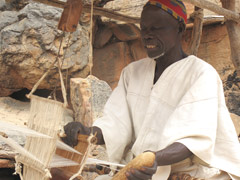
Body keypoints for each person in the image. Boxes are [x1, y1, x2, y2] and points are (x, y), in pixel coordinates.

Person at [63, 0, 240, 179]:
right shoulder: (132, 72)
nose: (147, 35)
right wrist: (87, 132)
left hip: (184, 173)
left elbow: (192, 140)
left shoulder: (201, 74)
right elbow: (115, 124)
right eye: (144, 28)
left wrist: (152, 160)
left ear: (180, 28)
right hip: (141, 169)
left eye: (156, 28)